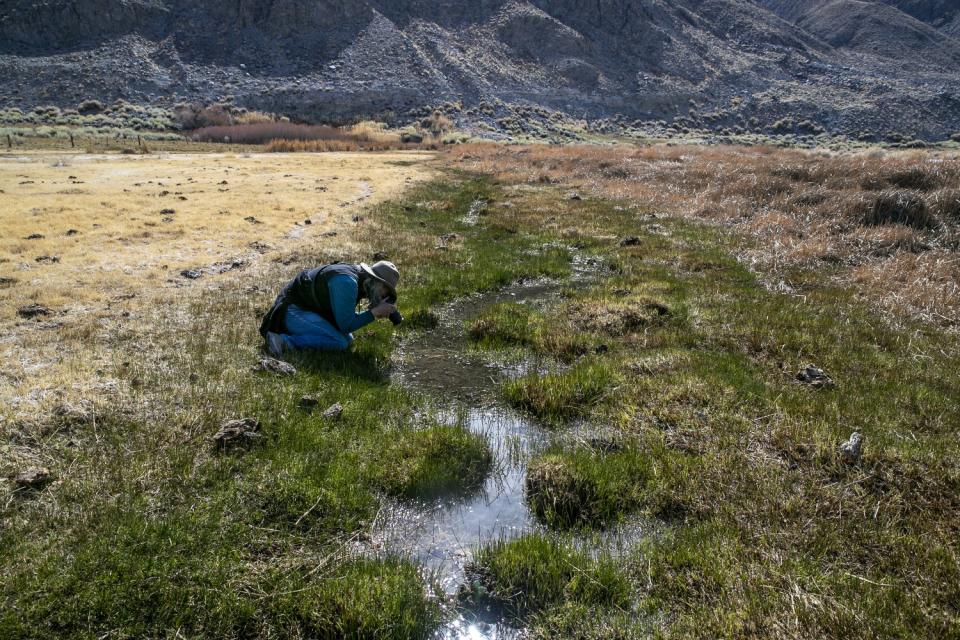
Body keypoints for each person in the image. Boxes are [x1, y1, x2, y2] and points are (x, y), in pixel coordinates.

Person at [259, 260, 399, 355]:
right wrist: (374, 313)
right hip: (290, 311)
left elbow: (345, 319)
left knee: (348, 339)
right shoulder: (347, 282)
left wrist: (373, 311)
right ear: (377, 282)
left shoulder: (358, 278)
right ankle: (282, 341)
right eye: (386, 291)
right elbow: (345, 325)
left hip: (306, 309)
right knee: (339, 342)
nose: (384, 296)